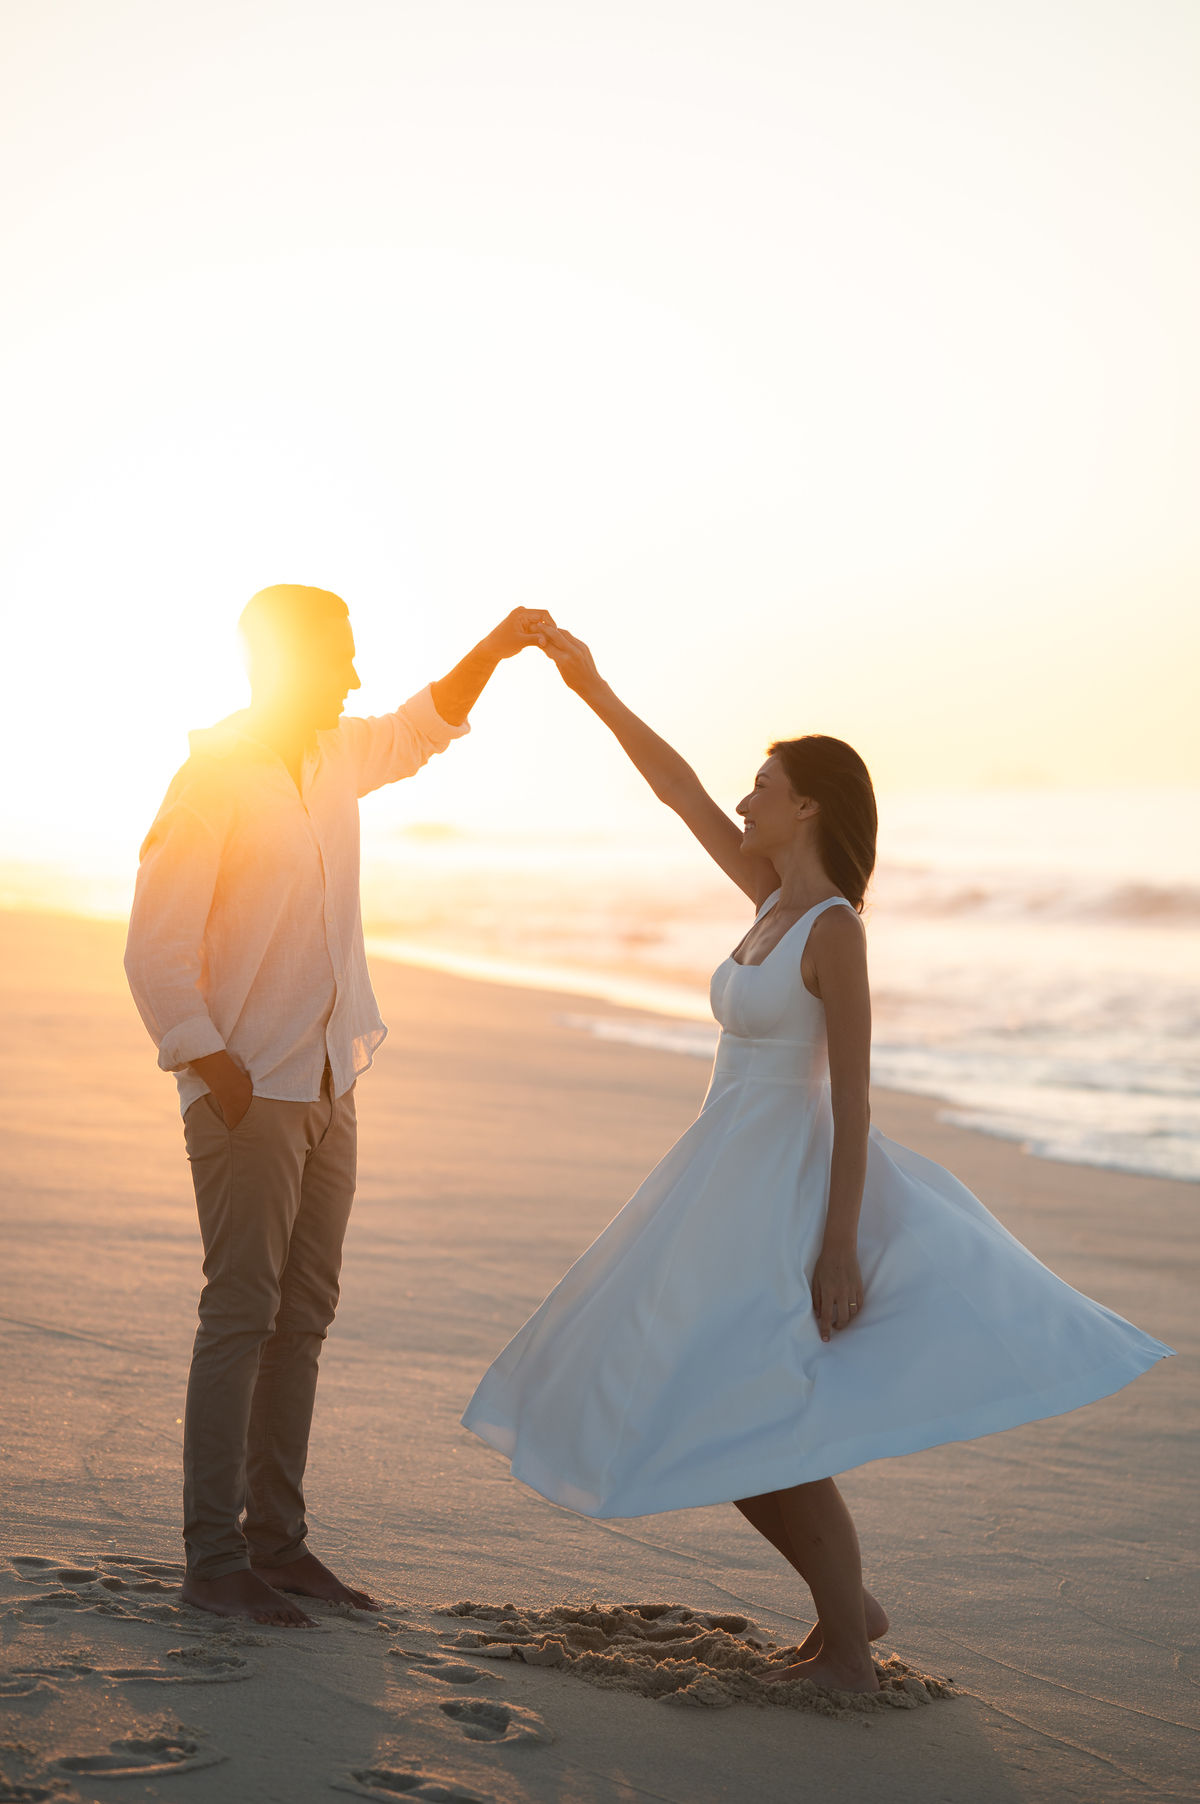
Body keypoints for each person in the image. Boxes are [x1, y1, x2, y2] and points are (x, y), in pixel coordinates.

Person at [462, 627, 1173, 1693]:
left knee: (745, 1404)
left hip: (781, 1187)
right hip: (717, 1173)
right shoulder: (767, 900)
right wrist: (591, 687)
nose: (743, 801)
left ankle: (848, 1650)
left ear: (807, 806)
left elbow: (854, 1099)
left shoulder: (835, 931)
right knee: (710, 1402)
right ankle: (849, 1606)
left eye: (762, 787)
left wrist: (837, 1244)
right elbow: (676, 790)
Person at [126, 584, 553, 1626]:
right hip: (249, 1092)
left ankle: (277, 1544)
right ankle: (212, 1559)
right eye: (337, 656)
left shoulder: (334, 757)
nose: (354, 676)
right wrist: (216, 1068)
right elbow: (155, 948)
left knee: (303, 1320)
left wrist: (496, 646)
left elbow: (421, 726)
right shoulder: (213, 779)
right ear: (278, 660)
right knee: (241, 1315)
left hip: (329, 1081)